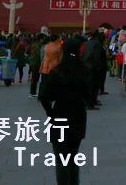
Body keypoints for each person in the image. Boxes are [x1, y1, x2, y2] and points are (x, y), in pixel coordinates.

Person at [39, 39, 89, 185]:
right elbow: (88, 93)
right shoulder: (84, 70)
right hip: (78, 116)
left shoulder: (57, 71)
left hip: (59, 115)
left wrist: (50, 113)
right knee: (73, 157)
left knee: (61, 158)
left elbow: (43, 96)